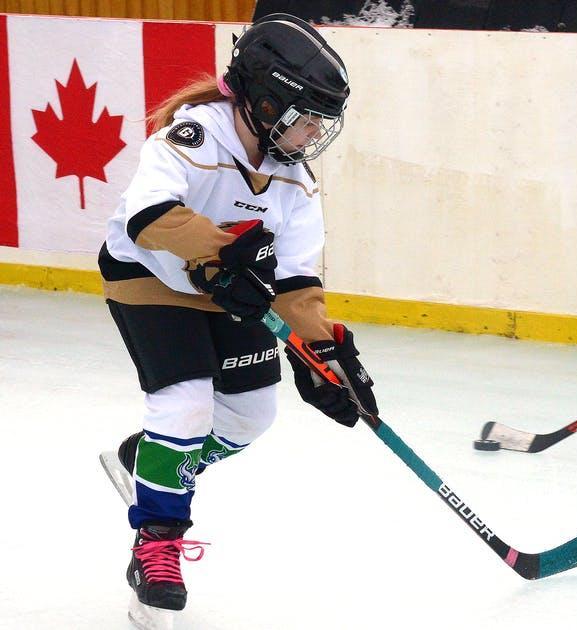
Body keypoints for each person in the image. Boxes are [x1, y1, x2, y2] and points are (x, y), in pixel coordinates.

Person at [97, 13, 378, 614]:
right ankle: (158, 538)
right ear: (266, 100)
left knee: (251, 415)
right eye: (305, 119)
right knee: (187, 404)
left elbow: (298, 283)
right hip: (148, 276)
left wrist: (324, 353)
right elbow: (147, 219)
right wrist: (225, 255)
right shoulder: (194, 136)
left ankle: (152, 462)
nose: (311, 135)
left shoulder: (295, 183)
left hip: (224, 290)